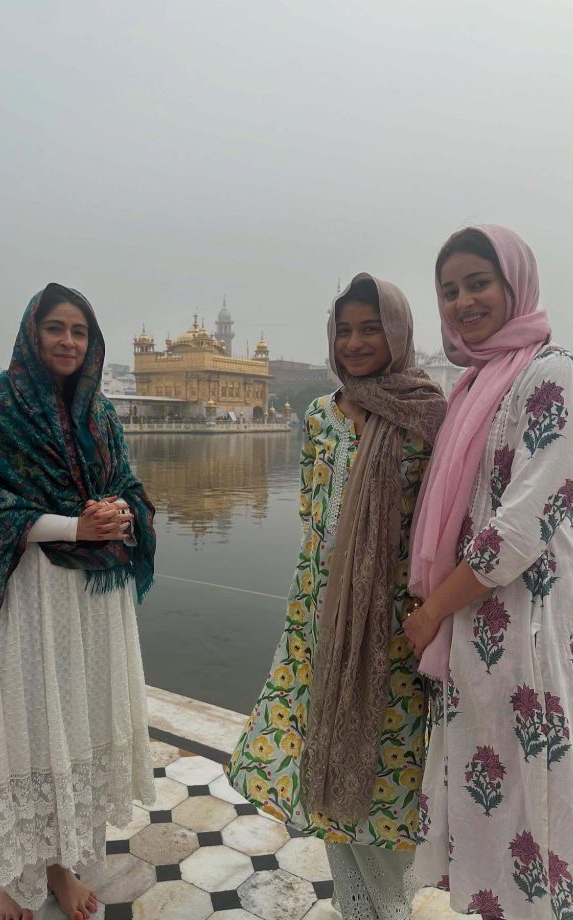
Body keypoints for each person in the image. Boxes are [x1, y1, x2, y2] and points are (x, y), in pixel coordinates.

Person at [226, 274, 446, 919]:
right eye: (344, 330)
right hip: (319, 624)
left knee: (387, 774)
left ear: (398, 333)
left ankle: (390, 907)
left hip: (394, 635)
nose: (355, 342)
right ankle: (360, 909)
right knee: (322, 763)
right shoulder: (323, 414)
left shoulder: (428, 415)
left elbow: (440, 523)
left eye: (370, 328)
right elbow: (314, 518)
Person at [0, 283, 156, 920]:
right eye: (56, 329)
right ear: (31, 333)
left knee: (77, 726)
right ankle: (15, 872)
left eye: (80, 332)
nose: (68, 343)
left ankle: (63, 867)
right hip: (29, 596)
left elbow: (127, 487)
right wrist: (73, 527)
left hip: (90, 602)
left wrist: (121, 511)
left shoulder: (99, 412)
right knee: (29, 728)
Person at [404, 225, 573, 920]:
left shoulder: (554, 373)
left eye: (478, 282)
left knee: (534, 813)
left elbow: (520, 528)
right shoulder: (473, 384)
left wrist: (427, 613)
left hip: (532, 632)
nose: (462, 301)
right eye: (449, 290)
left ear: (516, 285)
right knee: (487, 812)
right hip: (476, 631)